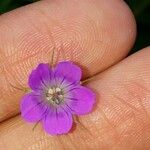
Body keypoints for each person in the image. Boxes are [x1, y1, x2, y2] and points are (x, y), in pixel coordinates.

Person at [0, 0, 149, 149]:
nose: (53, 95)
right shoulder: (37, 88)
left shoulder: (63, 74)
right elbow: (29, 109)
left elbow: (84, 96)